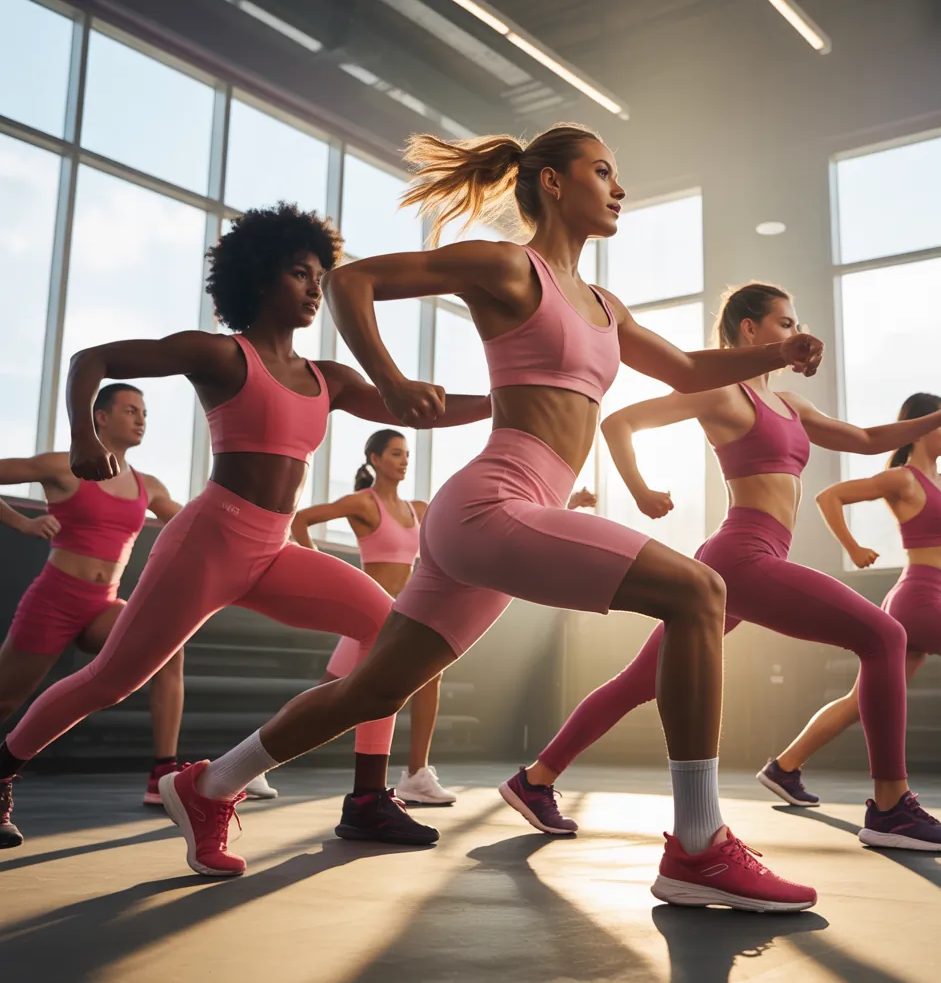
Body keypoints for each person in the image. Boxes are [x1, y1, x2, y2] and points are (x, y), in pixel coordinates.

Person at [160, 125, 825, 913]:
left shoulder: (607, 306)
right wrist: (395, 381)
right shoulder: (509, 265)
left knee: (372, 691)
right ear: (550, 182)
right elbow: (352, 284)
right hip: (492, 502)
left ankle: (209, 784)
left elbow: (685, 368)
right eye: (603, 172)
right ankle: (699, 846)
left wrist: (772, 358)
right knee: (699, 593)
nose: (619, 188)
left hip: (503, 515)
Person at [0, 202, 491, 851]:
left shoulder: (330, 380)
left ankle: (369, 799)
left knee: (387, 632)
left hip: (272, 548)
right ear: (260, 279)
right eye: (299, 273)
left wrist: (517, 400)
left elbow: (424, 410)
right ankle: (3, 768)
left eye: (321, 277)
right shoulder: (219, 356)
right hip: (206, 546)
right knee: (114, 679)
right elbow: (90, 359)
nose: (316, 288)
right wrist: (83, 436)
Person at [503, 283, 941, 854]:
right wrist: (640, 491)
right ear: (749, 331)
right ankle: (890, 808)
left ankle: (534, 780)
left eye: (795, 322)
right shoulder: (724, 394)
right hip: (743, 555)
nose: (794, 332)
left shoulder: (791, 405)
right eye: (783, 323)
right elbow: (620, 424)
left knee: (640, 682)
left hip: (741, 559)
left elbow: (865, 439)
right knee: (885, 633)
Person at [292, 428, 597, 807]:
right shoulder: (363, 503)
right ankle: (252, 765)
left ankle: (416, 775)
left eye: (406, 454)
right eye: (395, 454)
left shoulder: (418, 509)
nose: (404, 461)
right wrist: (330, 573)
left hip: (401, 613)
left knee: (430, 675)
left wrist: (568, 503)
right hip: (367, 615)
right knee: (327, 696)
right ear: (375, 460)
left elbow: (485, 524)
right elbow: (300, 520)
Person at [765, 391, 941, 791]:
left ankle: (783, 768)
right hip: (920, 603)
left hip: (919, 603)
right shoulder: (903, 479)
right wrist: (852, 548)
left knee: (859, 702)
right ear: (919, 430)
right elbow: (829, 496)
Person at [0, 383, 184, 823]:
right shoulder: (62, 467)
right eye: (130, 410)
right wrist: (22, 524)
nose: (141, 419)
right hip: (55, 599)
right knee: (5, 700)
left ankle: (162, 774)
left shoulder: (149, 485)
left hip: (103, 606)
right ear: (100, 417)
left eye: (145, 413)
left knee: (170, 645)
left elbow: (198, 523)